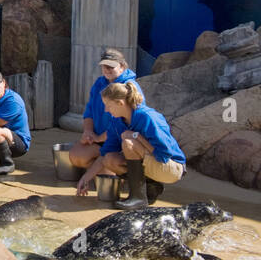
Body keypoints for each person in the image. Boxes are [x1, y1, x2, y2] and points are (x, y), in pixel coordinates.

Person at [75, 80, 185, 209]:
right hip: (153, 164)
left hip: (171, 167)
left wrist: (136, 137)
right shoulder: (116, 121)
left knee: (129, 144)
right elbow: (105, 153)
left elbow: (163, 154)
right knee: (109, 159)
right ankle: (150, 187)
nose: (106, 110)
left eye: (108, 105)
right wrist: (86, 178)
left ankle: (137, 198)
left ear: (120, 103)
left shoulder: (147, 117)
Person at [68, 48, 142, 172]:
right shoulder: (99, 83)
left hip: (120, 141)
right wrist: (88, 132)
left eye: (111, 67)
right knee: (76, 155)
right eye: (104, 66)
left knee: (110, 162)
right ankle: (102, 171)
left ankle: (113, 173)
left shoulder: (129, 87)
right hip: (99, 138)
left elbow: (124, 125)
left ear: (122, 67)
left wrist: (100, 138)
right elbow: (89, 111)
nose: (107, 70)